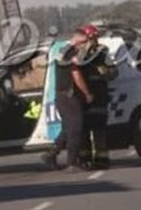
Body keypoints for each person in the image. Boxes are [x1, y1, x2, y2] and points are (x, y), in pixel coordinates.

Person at [43, 29, 95, 171]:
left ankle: (51, 154)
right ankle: (72, 162)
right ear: (78, 40)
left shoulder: (62, 50)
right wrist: (87, 93)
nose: (85, 45)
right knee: (75, 129)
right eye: (84, 42)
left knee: (67, 128)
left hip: (63, 96)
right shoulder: (71, 52)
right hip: (69, 96)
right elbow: (76, 74)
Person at [79, 25, 117, 170]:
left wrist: (106, 72)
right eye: (90, 38)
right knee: (83, 130)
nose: (93, 41)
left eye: (95, 37)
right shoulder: (77, 53)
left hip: (99, 94)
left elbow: (114, 72)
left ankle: (102, 159)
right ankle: (84, 158)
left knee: (99, 129)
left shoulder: (103, 53)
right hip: (83, 96)